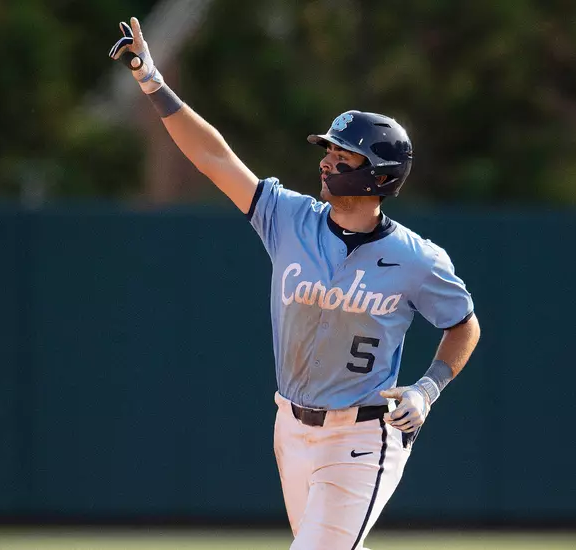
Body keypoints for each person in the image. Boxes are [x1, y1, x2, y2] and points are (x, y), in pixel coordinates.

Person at [110, 17, 481, 550]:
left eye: (343, 155)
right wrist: (152, 80)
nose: (328, 161)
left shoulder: (417, 259)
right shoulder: (289, 219)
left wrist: (428, 388)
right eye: (327, 150)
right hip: (292, 426)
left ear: (379, 176)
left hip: (364, 435)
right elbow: (215, 157)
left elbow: (463, 326)